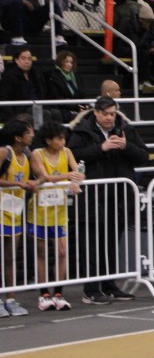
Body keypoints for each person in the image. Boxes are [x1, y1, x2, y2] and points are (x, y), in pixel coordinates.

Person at [67, 96, 148, 304]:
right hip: (91, 197)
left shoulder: (126, 129)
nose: (109, 118)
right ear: (96, 113)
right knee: (91, 245)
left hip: (118, 197)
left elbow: (143, 156)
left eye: (112, 114)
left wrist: (126, 146)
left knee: (111, 243)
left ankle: (110, 285)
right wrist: (101, 148)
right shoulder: (82, 131)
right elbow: (73, 157)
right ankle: (91, 289)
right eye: (105, 114)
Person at [28, 121, 83, 311]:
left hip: (59, 210)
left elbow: (78, 171)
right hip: (40, 210)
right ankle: (44, 294)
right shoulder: (37, 154)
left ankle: (59, 293)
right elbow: (45, 177)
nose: (63, 142)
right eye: (59, 139)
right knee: (41, 252)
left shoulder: (67, 152)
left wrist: (76, 180)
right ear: (48, 140)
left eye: (64, 138)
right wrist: (69, 176)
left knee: (62, 252)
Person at [0, 119, 38, 317]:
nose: (32, 135)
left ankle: (11, 299)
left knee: (10, 257)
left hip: (15, 210)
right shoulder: (4, 153)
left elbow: (41, 174)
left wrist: (35, 182)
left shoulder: (28, 154)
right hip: (0, 209)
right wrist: (17, 184)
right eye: (29, 132)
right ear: (18, 137)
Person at [43, 50, 92, 122]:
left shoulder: (76, 76)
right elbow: (57, 97)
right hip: (62, 108)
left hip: (77, 106)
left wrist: (85, 105)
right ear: (60, 62)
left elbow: (82, 93)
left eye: (71, 62)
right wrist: (76, 107)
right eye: (66, 62)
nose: (69, 65)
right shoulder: (52, 76)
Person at [0, 47, 43, 121]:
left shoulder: (35, 75)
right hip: (20, 109)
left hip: (37, 105)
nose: (27, 62)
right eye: (23, 58)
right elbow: (4, 98)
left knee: (55, 113)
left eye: (29, 59)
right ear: (16, 60)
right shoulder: (10, 76)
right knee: (44, 113)